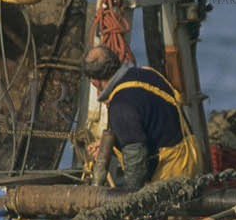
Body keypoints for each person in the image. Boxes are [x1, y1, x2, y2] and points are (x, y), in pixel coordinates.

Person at [83, 44, 205, 190]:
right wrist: (112, 145)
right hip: (190, 156)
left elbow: (136, 160)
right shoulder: (147, 74)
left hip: (170, 173)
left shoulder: (120, 104)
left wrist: (131, 198)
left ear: (93, 81)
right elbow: (151, 123)